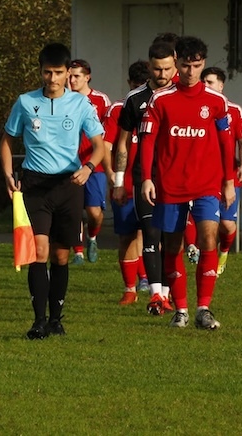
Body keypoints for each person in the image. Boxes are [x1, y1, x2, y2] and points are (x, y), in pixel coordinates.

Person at [0, 42, 105, 339]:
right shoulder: (24, 102)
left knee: (60, 256)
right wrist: (8, 175)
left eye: (59, 73)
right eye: (48, 72)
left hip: (69, 186)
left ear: (68, 73)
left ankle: (57, 318)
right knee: (39, 252)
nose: (53, 79)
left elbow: (98, 146)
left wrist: (88, 168)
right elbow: (7, 141)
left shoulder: (81, 105)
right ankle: (38, 321)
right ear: (40, 72)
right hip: (35, 186)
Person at [139, 36, 235, 330]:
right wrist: (146, 178)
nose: (190, 71)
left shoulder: (216, 102)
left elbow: (225, 140)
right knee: (173, 246)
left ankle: (203, 309)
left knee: (208, 238)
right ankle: (180, 309)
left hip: (206, 184)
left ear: (203, 64)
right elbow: (148, 141)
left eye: (196, 66)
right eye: (185, 65)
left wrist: (228, 180)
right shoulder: (160, 100)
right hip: (170, 184)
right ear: (176, 61)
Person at [113, 41, 178, 317]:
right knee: (150, 232)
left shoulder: (181, 95)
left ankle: (169, 293)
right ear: (149, 66)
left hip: (176, 177)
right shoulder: (135, 99)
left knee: (171, 237)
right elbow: (122, 143)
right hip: (145, 177)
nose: (162, 74)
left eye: (166, 68)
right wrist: (118, 182)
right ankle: (156, 295)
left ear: (174, 64)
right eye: (156, 68)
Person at [105, 61, 151, 305]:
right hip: (126, 185)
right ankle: (130, 289)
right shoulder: (118, 110)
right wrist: (113, 177)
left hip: (152, 184)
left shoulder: (159, 105)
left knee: (156, 237)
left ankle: (158, 290)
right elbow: (107, 145)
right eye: (135, 86)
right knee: (127, 237)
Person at [200, 66, 242, 275]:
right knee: (204, 222)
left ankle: (224, 252)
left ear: (221, 85)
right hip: (203, 175)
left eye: (210, 82)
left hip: (228, 175)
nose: (206, 86)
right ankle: (202, 257)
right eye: (204, 82)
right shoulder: (199, 109)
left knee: (227, 225)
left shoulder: (235, 110)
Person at [68, 59, 111, 264]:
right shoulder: (62, 99)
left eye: (76, 76)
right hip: (69, 164)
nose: (72, 80)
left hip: (95, 165)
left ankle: (92, 237)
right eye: (69, 75)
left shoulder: (101, 100)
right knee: (74, 210)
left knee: (95, 213)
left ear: (87, 77)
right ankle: (77, 252)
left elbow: (106, 134)